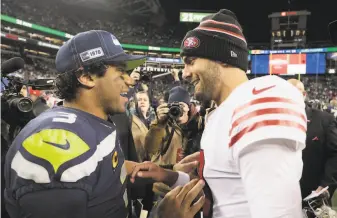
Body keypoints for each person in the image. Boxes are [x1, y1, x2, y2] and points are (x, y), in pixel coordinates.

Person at [131, 9, 307, 218]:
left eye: (191, 61)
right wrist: (169, 175)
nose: (185, 73)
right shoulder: (221, 112)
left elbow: (278, 214)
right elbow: (226, 191)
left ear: (222, 57)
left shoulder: (257, 100)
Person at [4, 30, 156, 218]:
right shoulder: (55, 143)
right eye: (121, 71)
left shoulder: (92, 123)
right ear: (87, 77)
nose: (131, 80)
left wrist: (120, 169)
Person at [288, 79, 337, 200]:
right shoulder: (275, 122)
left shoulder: (324, 120)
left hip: (312, 193)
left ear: (304, 95)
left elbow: (335, 154)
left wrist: (325, 185)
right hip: (282, 195)